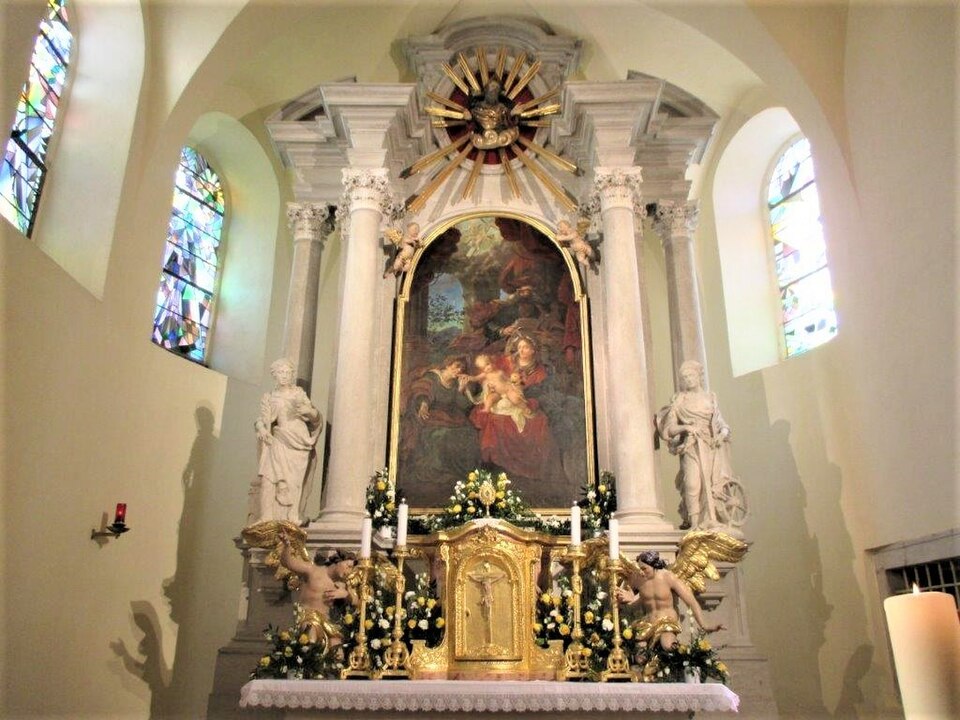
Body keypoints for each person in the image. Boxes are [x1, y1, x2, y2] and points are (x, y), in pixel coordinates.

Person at [656, 360, 732, 530]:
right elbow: (669, 429)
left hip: (712, 447)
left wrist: (722, 435)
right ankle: (695, 524)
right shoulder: (680, 401)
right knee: (692, 483)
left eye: (691, 375)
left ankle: (711, 518)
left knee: (711, 484)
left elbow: (722, 425)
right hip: (691, 445)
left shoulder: (710, 399)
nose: (688, 379)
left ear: (699, 376)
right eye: (685, 377)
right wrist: (686, 427)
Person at [399, 356, 482, 506]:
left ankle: (464, 474)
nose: (458, 370)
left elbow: (462, 406)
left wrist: (461, 389)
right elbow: (421, 390)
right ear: (448, 365)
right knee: (442, 436)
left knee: (469, 434)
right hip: (432, 417)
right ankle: (437, 472)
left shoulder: (457, 383)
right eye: (456, 366)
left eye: (461, 369)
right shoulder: (433, 377)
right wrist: (423, 403)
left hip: (451, 417)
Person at [249, 358, 322, 525]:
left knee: (294, 481)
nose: (284, 375)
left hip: (298, 439)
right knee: (268, 476)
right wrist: (261, 428)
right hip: (279, 437)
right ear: (274, 375)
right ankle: (266, 516)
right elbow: (262, 419)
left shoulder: (298, 393)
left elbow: (314, 416)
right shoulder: (269, 397)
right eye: (281, 372)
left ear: (292, 374)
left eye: (288, 372)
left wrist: (308, 411)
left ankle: (292, 515)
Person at [615, 550, 724, 651]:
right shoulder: (637, 579)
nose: (642, 572)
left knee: (667, 645)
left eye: (644, 569)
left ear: (654, 565)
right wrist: (627, 599)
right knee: (640, 655)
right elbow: (632, 602)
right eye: (639, 569)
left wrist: (704, 625)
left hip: (667, 622)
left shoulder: (668, 577)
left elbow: (691, 602)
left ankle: (682, 655)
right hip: (648, 623)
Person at [277, 531, 356, 653]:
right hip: (308, 617)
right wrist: (287, 545)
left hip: (328, 622)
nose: (349, 572)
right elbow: (288, 562)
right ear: (339, 560)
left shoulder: (342, 584)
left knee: (338, 652)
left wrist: (346, 595)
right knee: (311, 639)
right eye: (348, 566)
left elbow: (358, 602)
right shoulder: (313, 570)